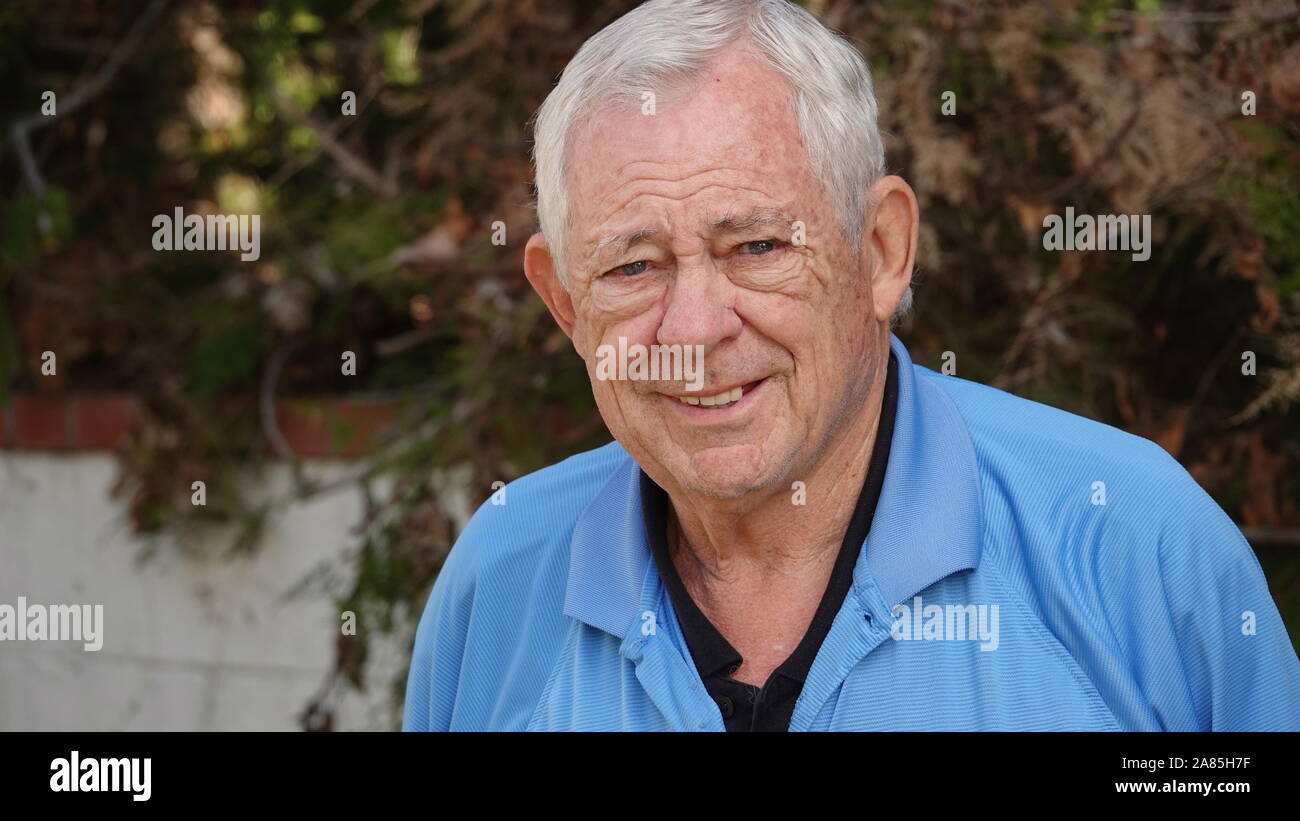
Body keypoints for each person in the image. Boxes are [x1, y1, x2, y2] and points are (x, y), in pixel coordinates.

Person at [403, 0, 1300, 731]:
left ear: (880, 252)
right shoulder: (503, 576)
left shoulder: (1129, 543)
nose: (695, 326)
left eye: (755, 245)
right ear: (565, 303)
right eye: (632, 266)